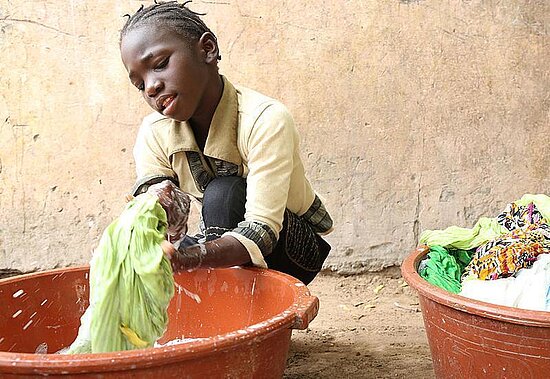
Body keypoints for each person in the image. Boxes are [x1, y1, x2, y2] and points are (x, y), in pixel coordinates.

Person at [119, 0, 333, 284]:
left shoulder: (265, 119)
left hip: (291, 248)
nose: (152, 87)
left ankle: (245, 312)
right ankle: (228, 315)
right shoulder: (154, 131)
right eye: (139, 84)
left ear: (207, 49)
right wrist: (155, 212)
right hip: (221, 239)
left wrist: (189, 258)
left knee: (224, 193)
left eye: (160, 65)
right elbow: (151, 206)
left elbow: (263, 230)